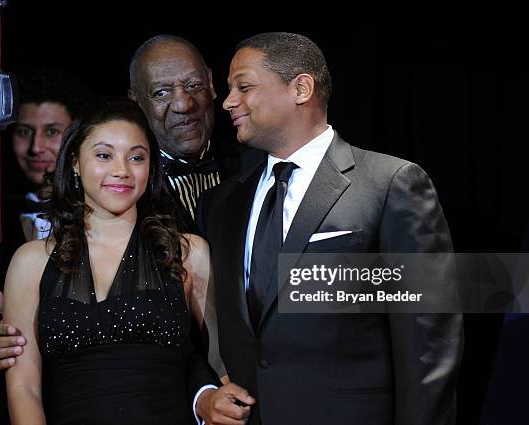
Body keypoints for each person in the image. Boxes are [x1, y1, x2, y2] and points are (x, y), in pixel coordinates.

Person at [197, 32, 463, 424]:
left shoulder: (390, 184)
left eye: (244, 86)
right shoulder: (221, 204)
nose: (228, 101)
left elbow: (428, 343)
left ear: (301, 88)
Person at [3, 98, 253, 424]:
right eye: (104, 155)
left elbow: (221, 369)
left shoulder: (189, 254)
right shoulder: (31, 261)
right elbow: (24, 388)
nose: (121, 170)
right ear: (75, 162)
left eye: (136, 157)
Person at [128, 34, 245, 232]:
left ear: (211, 84)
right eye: (161, 93)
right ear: (137, 104)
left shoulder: (256, 166)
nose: (183, 105)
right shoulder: (126, 185)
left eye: (193, 85)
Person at [2, 68, 88, 265]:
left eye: (51, 131)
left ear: (76, 136)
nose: (36, 147)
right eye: (24, 132)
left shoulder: (100, 212)